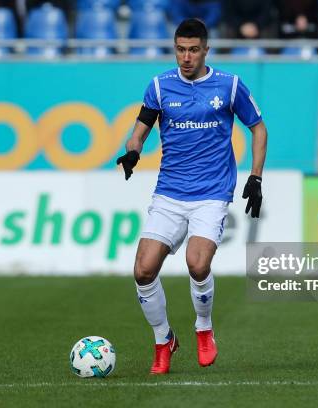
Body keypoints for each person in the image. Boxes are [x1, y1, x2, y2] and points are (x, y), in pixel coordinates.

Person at [116, 18, 267, 375]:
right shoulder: (159, 86)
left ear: (206, 50)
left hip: (212, 193)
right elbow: (139, 131)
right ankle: (163, 339)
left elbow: (258, 128)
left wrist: (256, 177)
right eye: (181, 49)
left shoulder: (229, 86)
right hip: (169, 192)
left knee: (197, 263)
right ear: (175, 49)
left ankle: (203, 329)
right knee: (143, 270)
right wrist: (133, 152)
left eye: (194, 50)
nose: (186, 57)